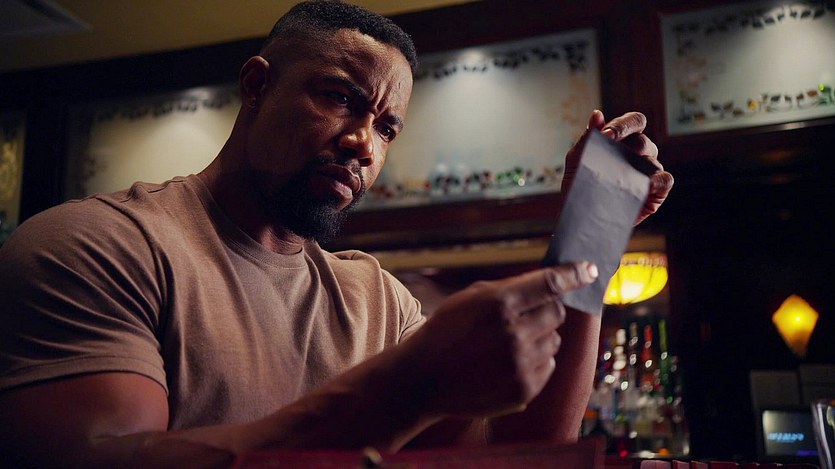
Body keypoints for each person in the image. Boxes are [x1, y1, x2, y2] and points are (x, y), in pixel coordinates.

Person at [0, 1, 673, 467]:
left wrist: (594, 227)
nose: (363, 143)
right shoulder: (98, 246)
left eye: (387, 127)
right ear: (257, 86)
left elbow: (516, 452)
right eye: (340, 98)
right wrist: (404, 386)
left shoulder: (377, 301)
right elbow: (96, 460)